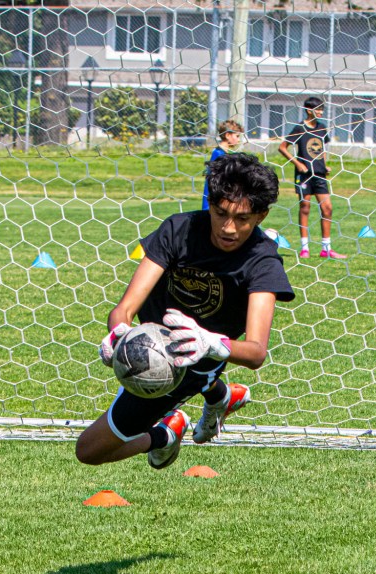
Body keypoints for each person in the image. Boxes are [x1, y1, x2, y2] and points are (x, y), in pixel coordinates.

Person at [75, 153, 295, 469]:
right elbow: (124, 308)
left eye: (242, 219)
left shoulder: (263, 262)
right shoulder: (179, 230)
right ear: (210, 204)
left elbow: (256, 352)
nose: (229, 228)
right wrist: (118, 333)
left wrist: (211, 343)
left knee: (88, 451)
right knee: (89, 451)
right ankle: (210, 403)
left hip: (192, 365)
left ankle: (163, 433)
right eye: (220, 213)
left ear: (261, 216)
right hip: (149, 348)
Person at [278, 96, 346, 259]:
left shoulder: (321, 128)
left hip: (319, 174)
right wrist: (297, 163)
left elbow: (321, 149)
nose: (321, 112)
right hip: (304, 175)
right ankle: (305, 248)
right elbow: (282, 147)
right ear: (309, 110)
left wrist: (325, 165)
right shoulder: (299, 128)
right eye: (318, 109)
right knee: (305, 207)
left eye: (322, 109)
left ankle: (326, 249)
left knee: (327, 208)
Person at [202, 120, 244, 210]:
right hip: (213, 202)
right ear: (227, 135)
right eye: (237, 136)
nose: (238, 139)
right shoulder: (219, 154)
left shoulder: (223, 153)